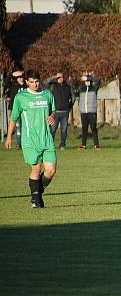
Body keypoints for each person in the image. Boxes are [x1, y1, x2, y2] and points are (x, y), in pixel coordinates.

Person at [5, 71, 57, 209]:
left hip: (46, 139)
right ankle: (35, 199)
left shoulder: (47, 94)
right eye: (32, 81)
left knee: (51, 170)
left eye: (37, 81)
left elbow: (53, 111)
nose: (35, 84)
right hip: (30, 140)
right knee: (36, 168)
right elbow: (14, 118)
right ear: (27, 82)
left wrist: (52, 116)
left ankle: (38, 190)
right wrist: (9, 136)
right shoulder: (21, 97)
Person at [46, 72, 74, 149]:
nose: (60, 79)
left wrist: (69, 107)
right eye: (59, 77)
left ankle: (62, 145)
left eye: (61, 77)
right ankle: (50, 145)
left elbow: (72, 98)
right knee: (53, 129)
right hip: (55, 112)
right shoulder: (53, 86)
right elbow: (46, 81)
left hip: (65, 112)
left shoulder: (68, 87)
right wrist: (55, 76)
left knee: (64, 130)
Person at [76, 73, 101, 150]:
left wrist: (89, 77)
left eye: (88, 81)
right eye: (86, 81)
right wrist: (81, 78)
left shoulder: (94, 88)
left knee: (93, 128)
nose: (87, 82)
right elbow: (75, 85)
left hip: (91, 111)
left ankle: (96, 145)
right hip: (83, 111)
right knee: (84, 128)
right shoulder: (81, 89)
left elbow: (98, 80)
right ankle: (83, 145)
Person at [5, 70, 26, 148]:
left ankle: (21, 143)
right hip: (14, 109)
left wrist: (23, 73)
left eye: (22, 77)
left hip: (24, 109)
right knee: (17, 126)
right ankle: (18, 143)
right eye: (19, 77)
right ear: (16, 79)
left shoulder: (26, 86)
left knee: (23, 127)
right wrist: (12, 74)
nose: (21, 79)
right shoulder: (14, 85)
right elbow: (6, 82)